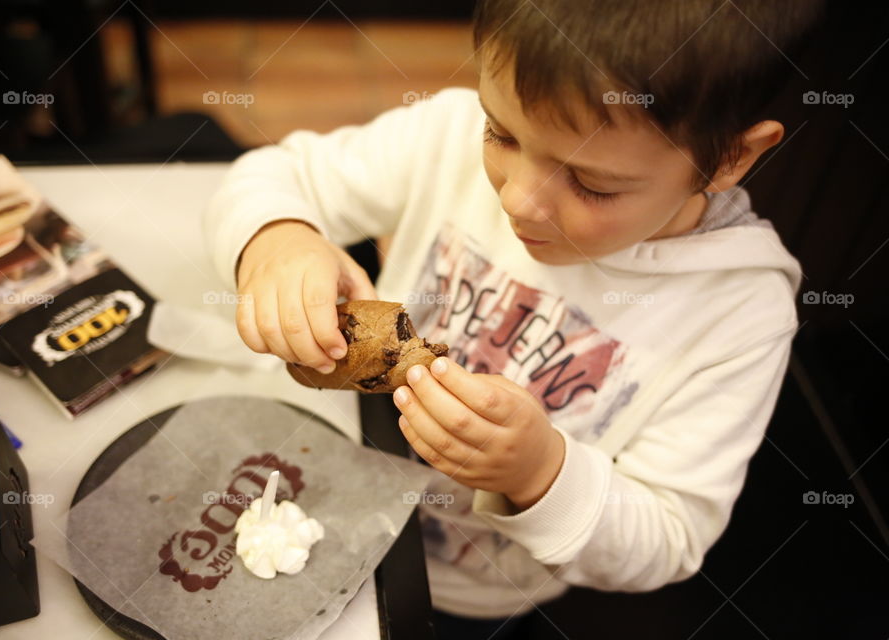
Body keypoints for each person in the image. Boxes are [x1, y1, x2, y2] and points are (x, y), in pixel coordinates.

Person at [204, 1, 824, 637]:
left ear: (729, 159)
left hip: (464, 594)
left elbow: (669, 539)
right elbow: (277, 175)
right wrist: (278, 239)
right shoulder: (446, 133)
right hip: (313, 487)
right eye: (500, 135)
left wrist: (540, 474)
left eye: (592, 183)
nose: (517, 199)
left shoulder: (739, 312)